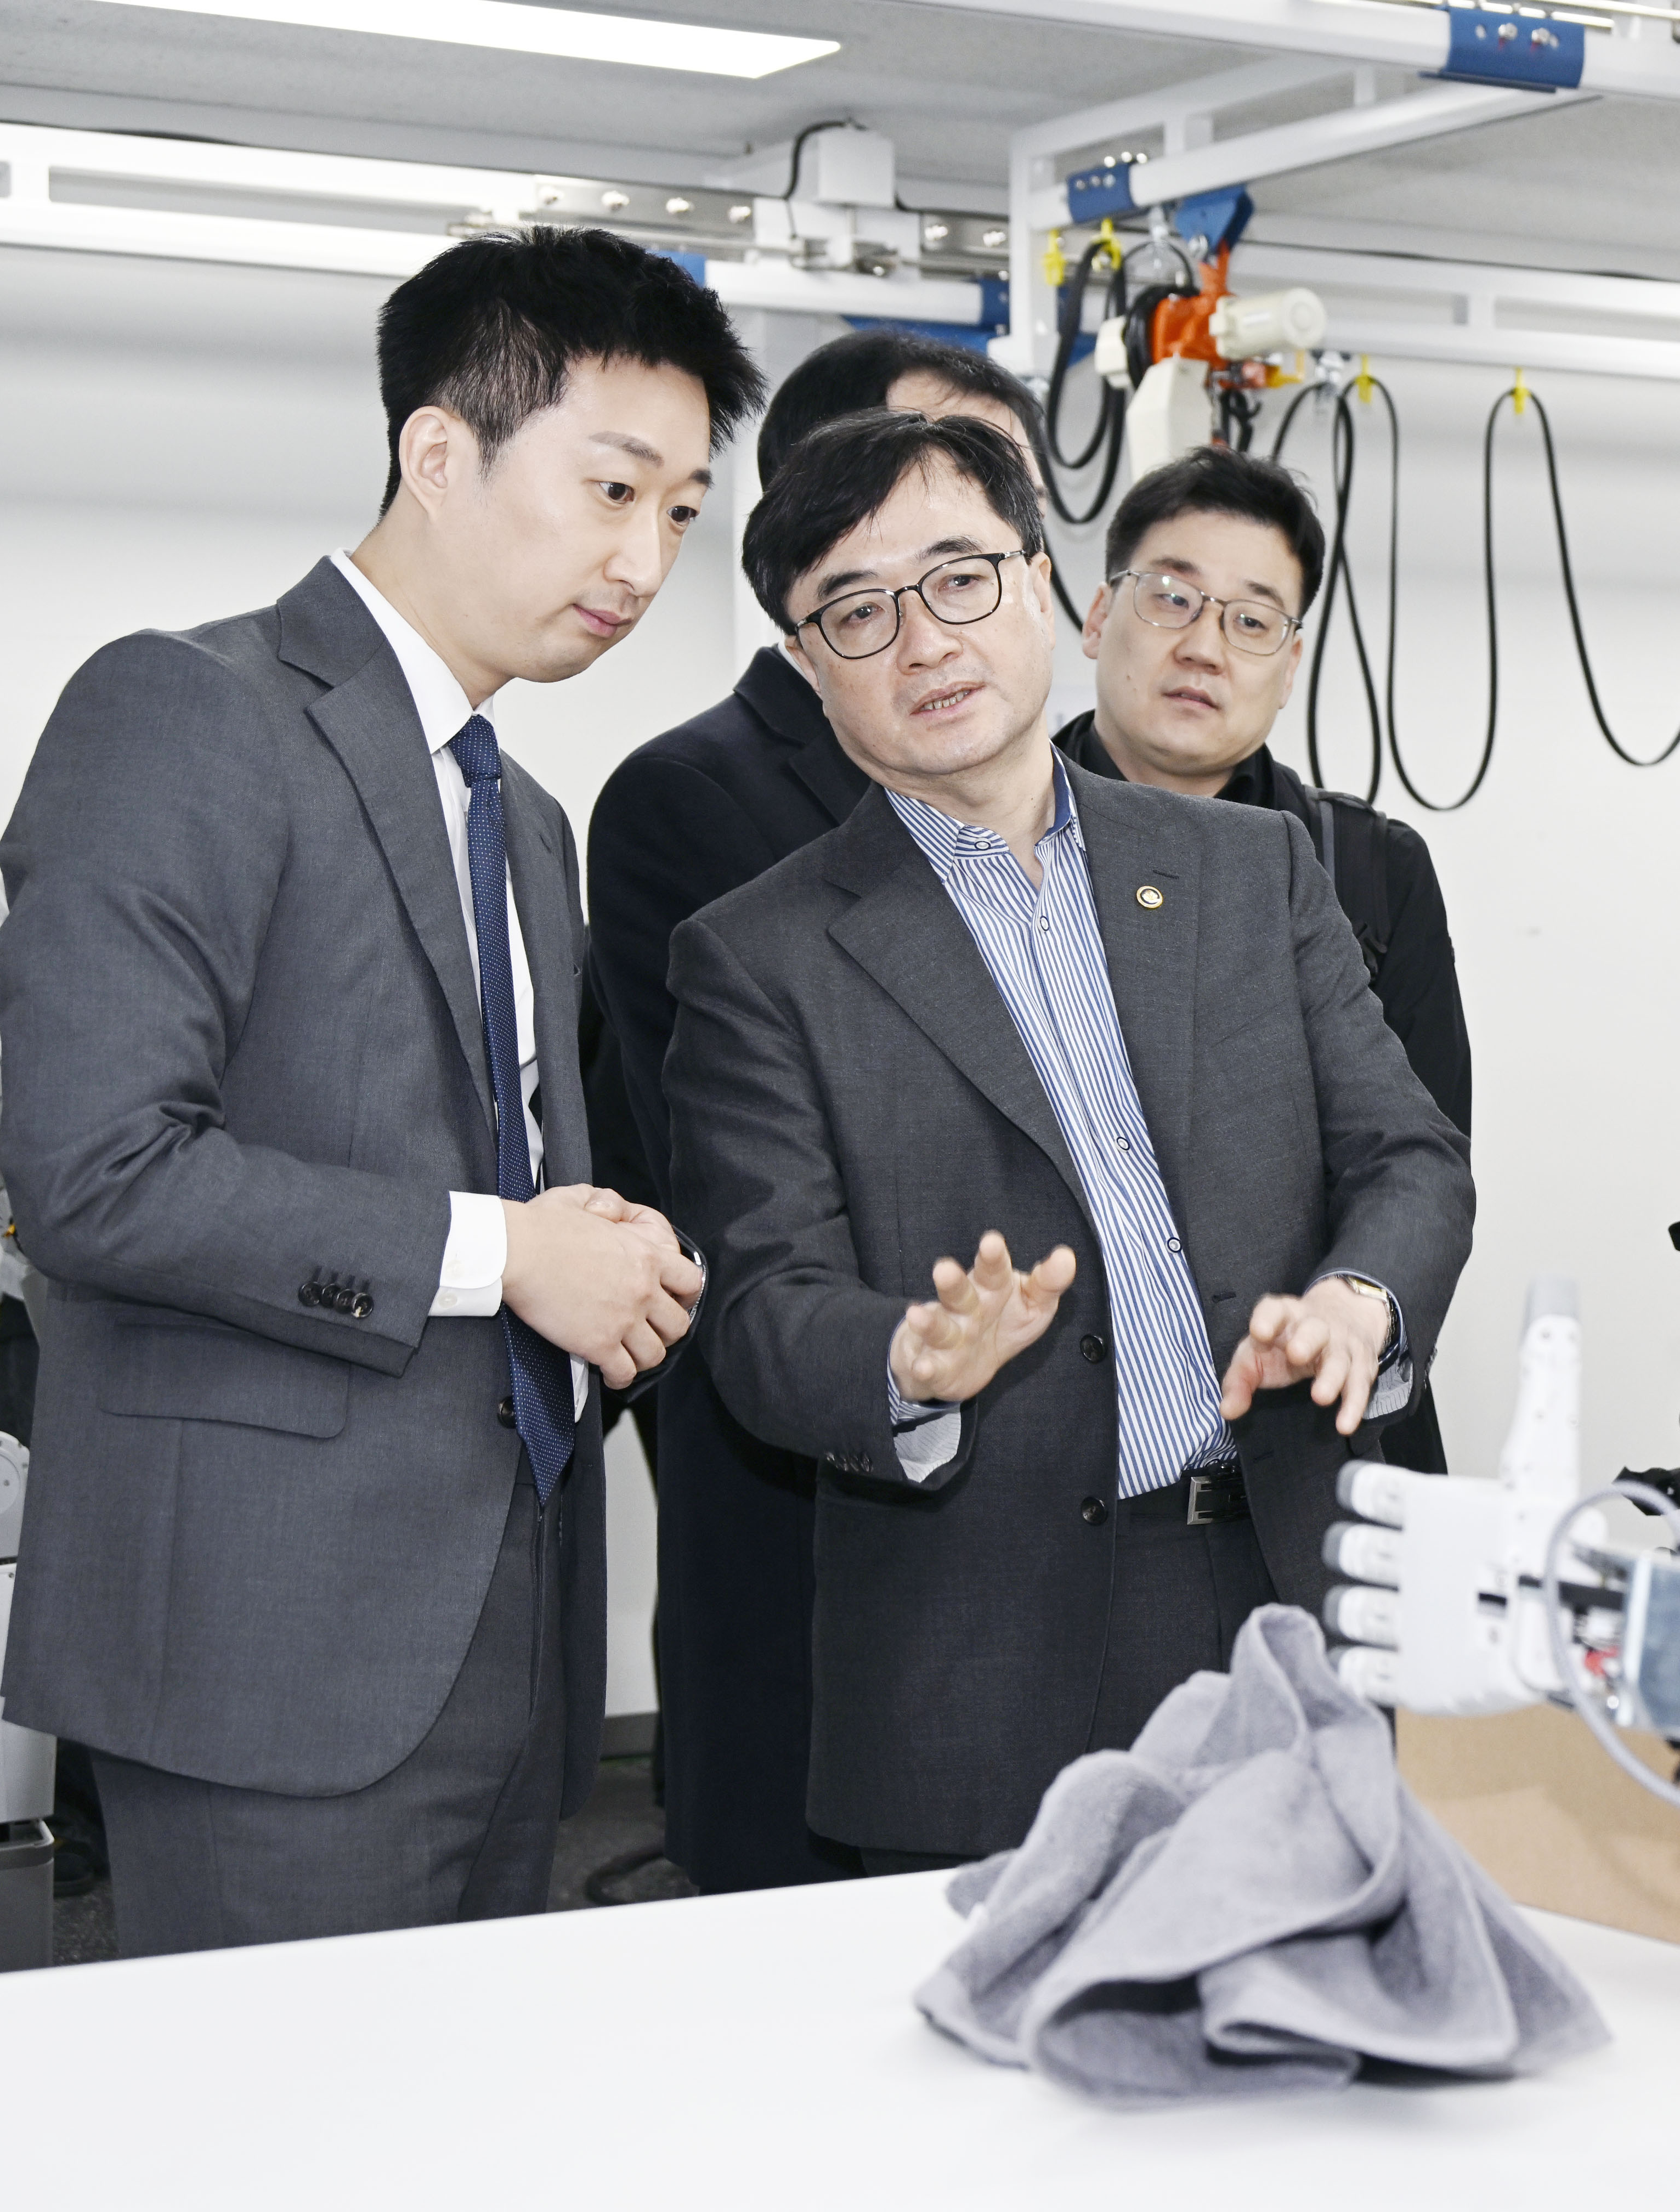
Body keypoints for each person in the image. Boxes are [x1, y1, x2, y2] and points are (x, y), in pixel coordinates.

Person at [0, 225, 743, 1954]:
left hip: (510, 1638)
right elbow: (98, 1171)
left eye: (682, 512)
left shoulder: (524, 819)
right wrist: (507, 1253)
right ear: (438, 450)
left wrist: (600, 1255)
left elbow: (490, 1162)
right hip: (266, 1647)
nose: (644, 558)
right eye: (612, 488)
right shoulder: (187, 710)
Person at [660, 410, 1468, 1868]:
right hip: (991, 1646)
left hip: (1284, 1591)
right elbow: (761, 1310)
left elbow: (1409, 1157)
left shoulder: (1252, 868)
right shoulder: (759, 955)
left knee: (1309, 2001)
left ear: (1040, 587)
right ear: (808, 665)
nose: (926, 641)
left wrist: (1359, 1299)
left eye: (960, 578)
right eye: (858, 612)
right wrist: (907, 1360)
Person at [583, 329, 1042, 1895]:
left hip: (1051, 1537)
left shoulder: (1081, 810)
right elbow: (770, 1189)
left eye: (993, 509)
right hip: (817, 1497)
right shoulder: (695, 798)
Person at [1051, 445, 1471, 1467]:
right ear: (1098, 617)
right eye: (1172, 598)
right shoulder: (984, 853)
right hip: (1064, 1437)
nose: (1205, 648)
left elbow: (1423, 1161)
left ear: (1289, 667)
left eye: (1251, 621)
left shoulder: (1368, 870)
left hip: (1313, 1425)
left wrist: (1351, 1304)